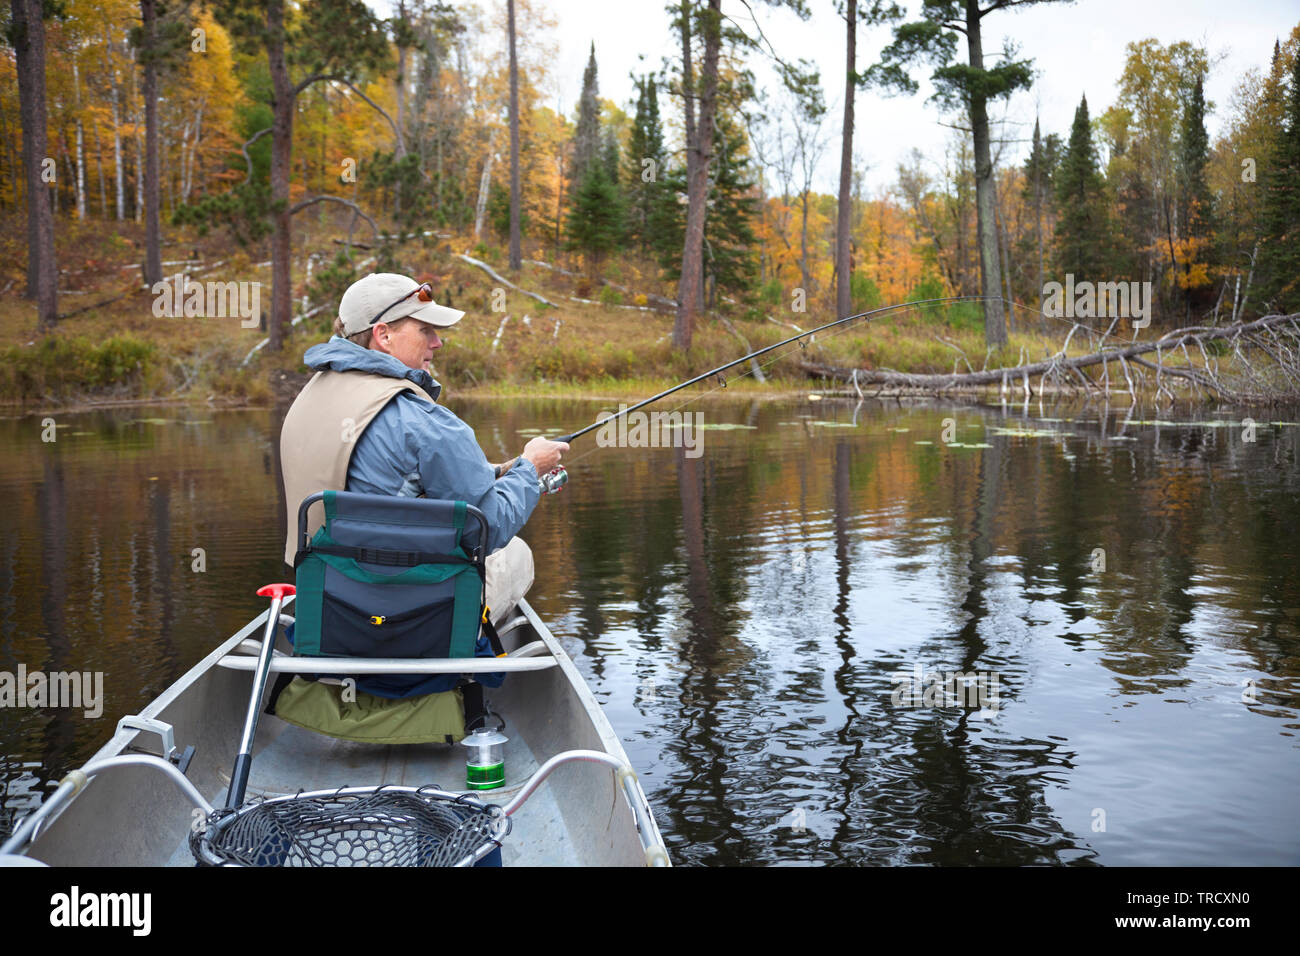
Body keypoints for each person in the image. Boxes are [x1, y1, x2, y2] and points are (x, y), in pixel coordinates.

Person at [279, 271, 568, 625]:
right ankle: (457, 653)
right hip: (404, 612)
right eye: (424, 330)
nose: (437, 343)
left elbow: (380, 484)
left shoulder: (310, 398)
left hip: (327, 604)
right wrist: (529, 468)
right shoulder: (425, 421)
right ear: (382, 334)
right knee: (515, 553)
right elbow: (487, 528)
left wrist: (494, 471)